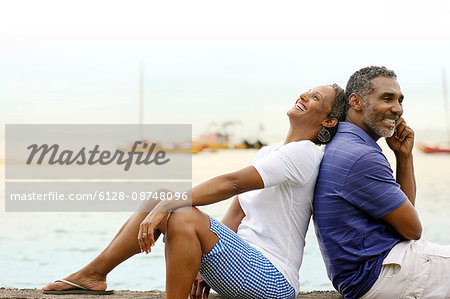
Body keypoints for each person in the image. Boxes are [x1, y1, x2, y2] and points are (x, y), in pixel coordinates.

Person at [43, 83, 346, 298]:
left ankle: (96, 275)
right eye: (307, 90)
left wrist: (167, 208)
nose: (304, 95)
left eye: (315, 97)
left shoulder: (305, 153)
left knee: (181, 214)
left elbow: (231, 184)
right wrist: (207, 267)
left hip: (272, 280)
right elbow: (238, 210)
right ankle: (94, 274)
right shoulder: (271, 151)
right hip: (244, 264)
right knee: (164, 196)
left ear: (329, 120)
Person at [314, 66, 450, 299]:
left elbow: (404, 222)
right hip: (377, 274)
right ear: (355, 102)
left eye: (399, 100)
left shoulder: (345, 144)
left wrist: (403, 156)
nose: (397, 109)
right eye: (387, 99)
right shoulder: (360, 155)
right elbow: (412, 229)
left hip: (363, 274)